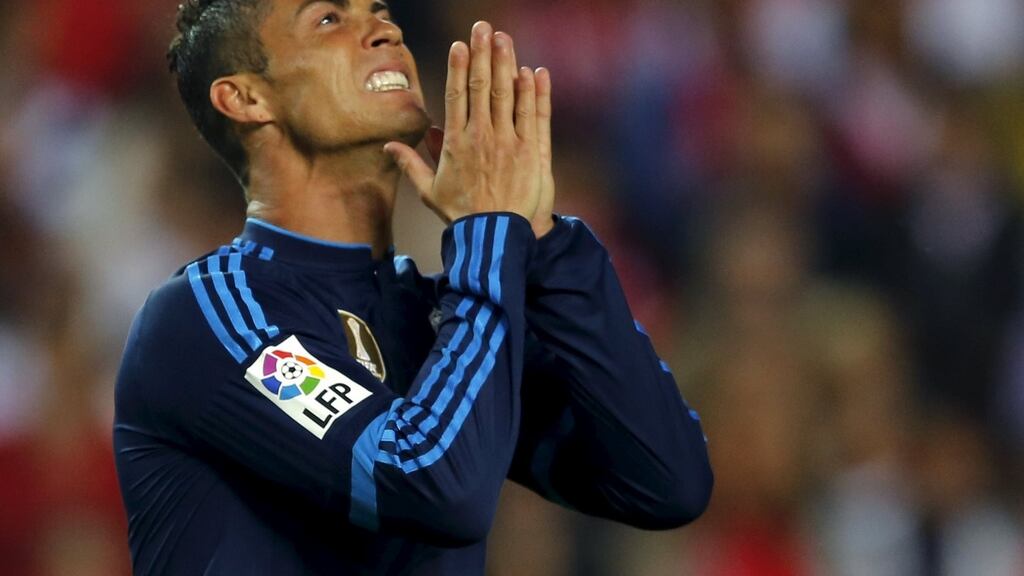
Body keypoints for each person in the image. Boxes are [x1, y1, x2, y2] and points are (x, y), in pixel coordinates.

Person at [112, 0, 713, 573]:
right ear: (245, 97)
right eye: (328, 18)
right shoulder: (207, 316)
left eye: (380, 12)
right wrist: (487, 231)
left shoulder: (440, 320)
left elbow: (666, 481)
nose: (384, 29)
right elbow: (434, 483)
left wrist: (544, 241)